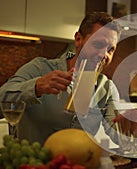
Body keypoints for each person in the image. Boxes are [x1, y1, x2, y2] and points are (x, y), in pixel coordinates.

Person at [0, 12, 124, 144]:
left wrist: (130, 124)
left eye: (110, 49)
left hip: (75, 163)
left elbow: (117, 133)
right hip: (32, 162)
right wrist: (37, 87)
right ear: (78, 39)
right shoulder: (39, 68)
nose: (104, 55)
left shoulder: (107, 87)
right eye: (98, 44)